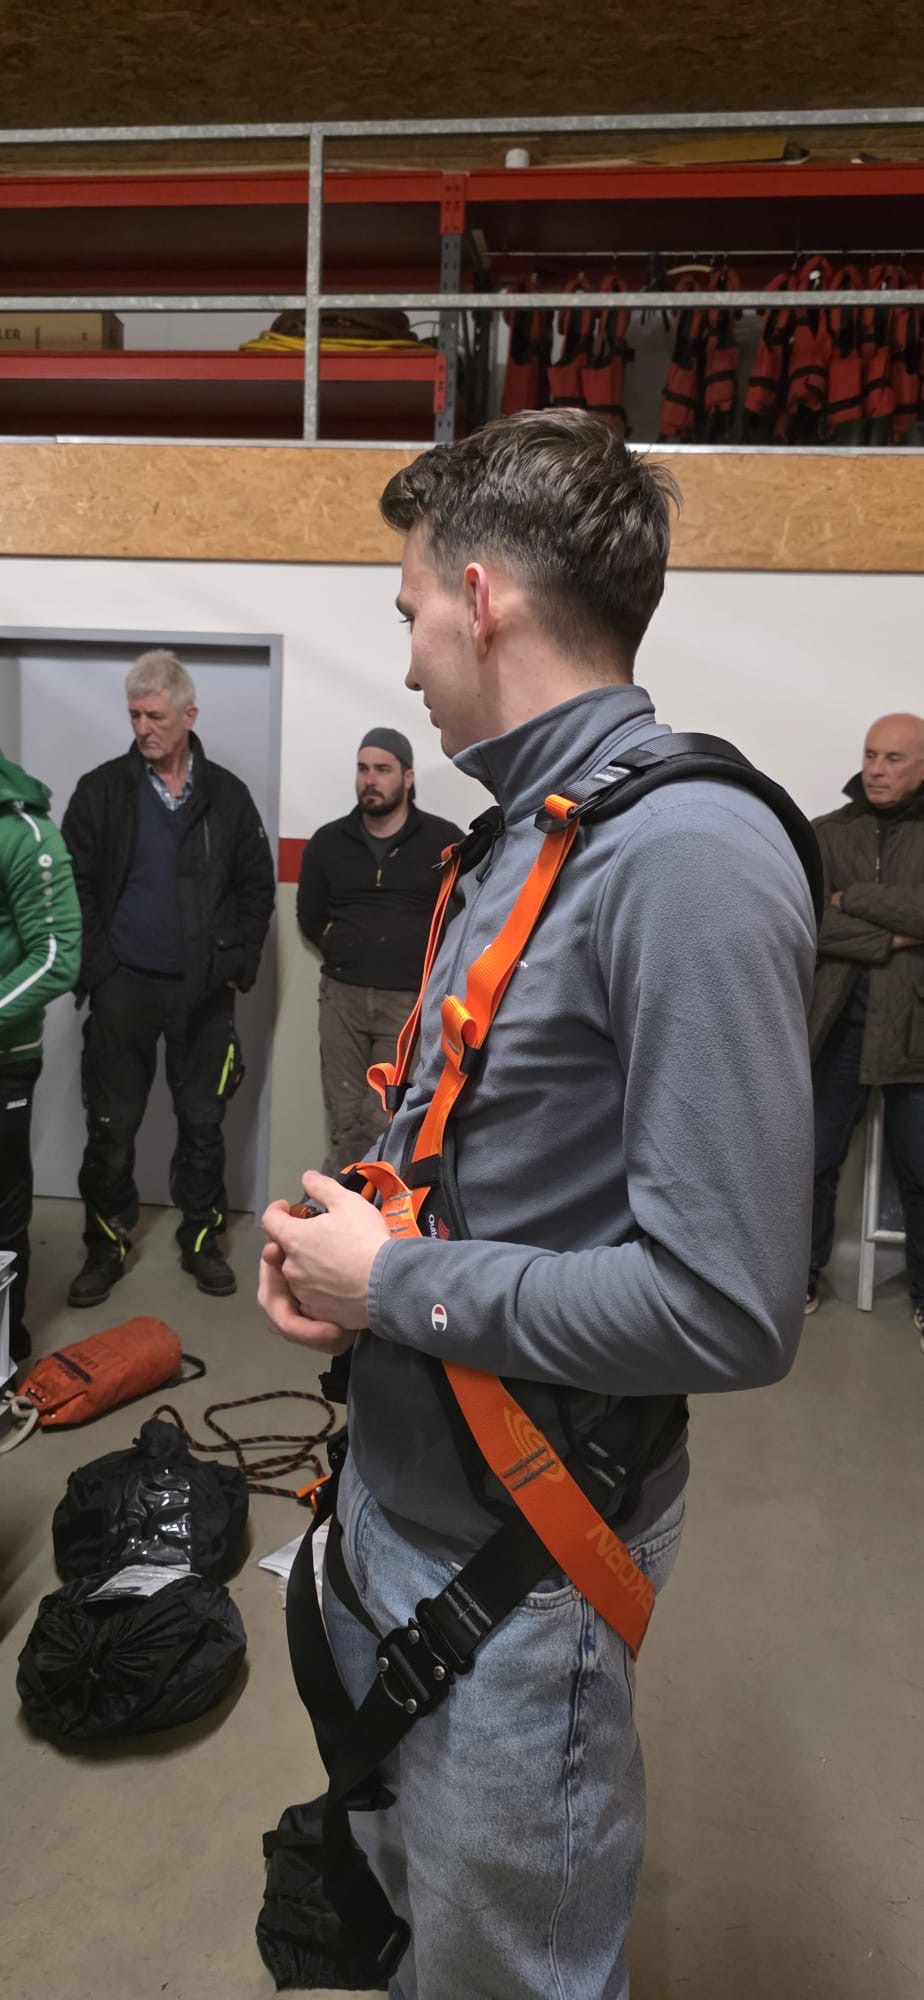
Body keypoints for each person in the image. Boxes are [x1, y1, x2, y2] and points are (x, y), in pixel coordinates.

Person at [258, 409, 817, 2000]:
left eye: (410, 614)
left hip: (519, 1557)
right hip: (404, 1490)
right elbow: (493, 1155)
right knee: (416, 1906)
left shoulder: (686, 858)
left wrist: (393, 1285)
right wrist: (355, 1247)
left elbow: (728, 1308)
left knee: (507, 1967)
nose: (408, 662)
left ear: (480, 596)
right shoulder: (523, 836)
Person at [62, 649, 275, 1307]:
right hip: (123, 988)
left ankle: (202, 1243)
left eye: (154, 716)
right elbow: (75, 888)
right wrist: (100, 970)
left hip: (201, 993)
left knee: (203, 1126)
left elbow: (256, 887)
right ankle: (104, 1249)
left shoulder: (228, 796)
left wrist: (234, 966)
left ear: (189, 715)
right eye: (134, 715)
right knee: (111, 1127)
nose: (142, 728)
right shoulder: (102, 791)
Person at [296, 727, 462, 1174]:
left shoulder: (443, 841)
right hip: (342, 998)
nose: (370, 779)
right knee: (344, 1114)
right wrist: (343, 951)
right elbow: (309, 916)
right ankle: (345, 1204)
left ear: (407, 778)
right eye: (363, 769)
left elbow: (461, 916)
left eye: (383, 769)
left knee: (380, 1117)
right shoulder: (328, 842)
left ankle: (327, 1201)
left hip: (407, 1003)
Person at [805, 712, 924, 1333]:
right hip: (839, 1027)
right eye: (871, 755)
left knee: (922, 1173)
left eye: (893, 759)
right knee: (813, 1162)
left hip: (917, 1030)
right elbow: (809, 921)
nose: (875, 769)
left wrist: (854, 899)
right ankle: (799, 1278)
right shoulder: (827, 833)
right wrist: (893, 937)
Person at [0, 750, 82, 1365]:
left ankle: (4, 1349)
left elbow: (56, 956)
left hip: (6, 1057)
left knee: (1, 1208)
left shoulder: (26, 833)